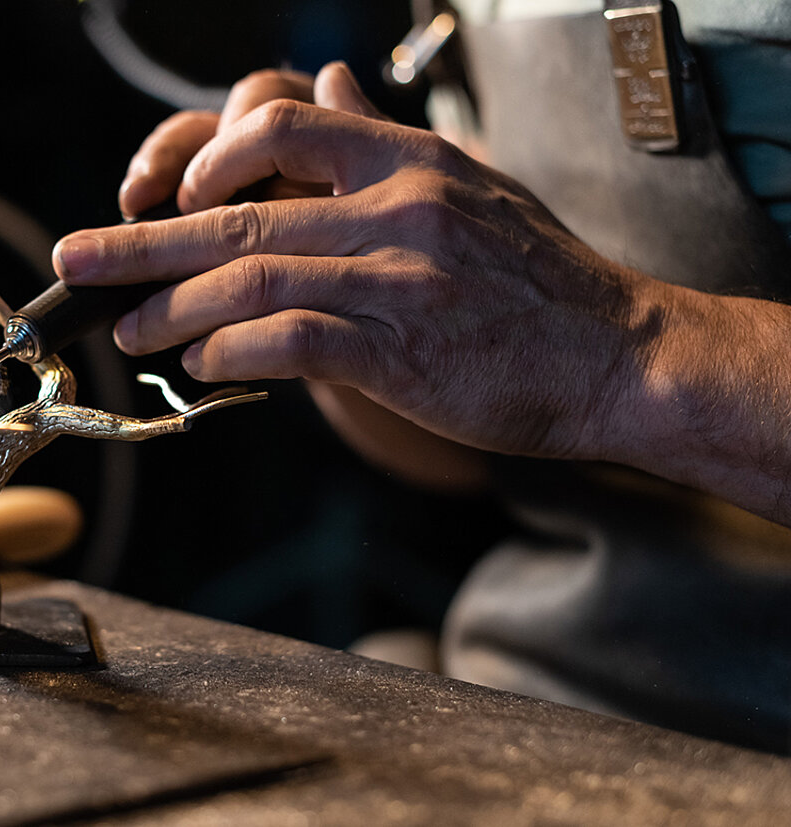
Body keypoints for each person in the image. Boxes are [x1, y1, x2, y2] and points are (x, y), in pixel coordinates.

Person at [51, 2, 791, 752]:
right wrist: (348, 295)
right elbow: (473, 454)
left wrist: (622, 349)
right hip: (548, 688)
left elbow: (578, 353)